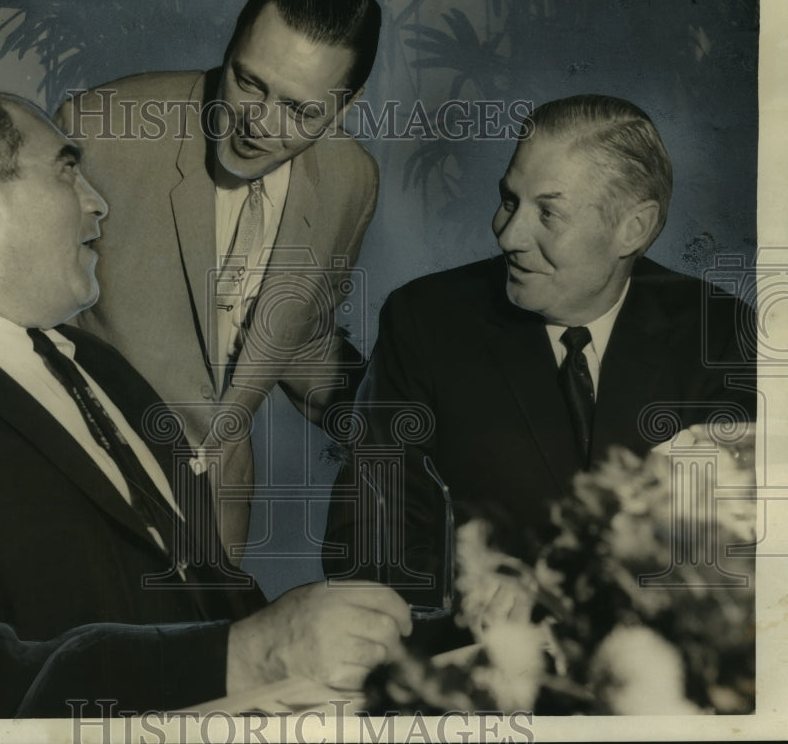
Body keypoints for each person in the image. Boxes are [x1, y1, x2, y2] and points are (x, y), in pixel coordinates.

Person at [0, 85, 411, 718]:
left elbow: (209, 596)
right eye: (68, 170)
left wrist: (338, 645)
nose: (99, 203)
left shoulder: (100, 365)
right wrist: (247, 655)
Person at [323, 94, 756, 632]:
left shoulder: (717, 331)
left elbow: (739, 545)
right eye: (510, 200)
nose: (508, 235)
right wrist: (474, 584)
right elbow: (367, 535)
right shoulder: (426, 322)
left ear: (634, 228)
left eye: (547, 213)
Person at [55, 0, 381, 558]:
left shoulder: (351, 179)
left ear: (348, 104)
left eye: (301, 110)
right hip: (79, 496)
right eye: (248, 81)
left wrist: (404, 412)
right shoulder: (100, 132)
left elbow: (297, 339)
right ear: (230, 43)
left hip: (220, 514)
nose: (258, 124)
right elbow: (11, 325)